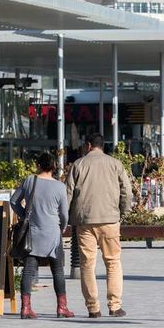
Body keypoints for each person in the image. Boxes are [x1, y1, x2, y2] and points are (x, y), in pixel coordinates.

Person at [66, 133, 133, 317]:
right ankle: (115, 305)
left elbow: (68, 194)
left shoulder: (78, 165)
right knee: (113, 262)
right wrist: (123, 212)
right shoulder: (115, 164)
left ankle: (93, 308)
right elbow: (126, 191)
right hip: (110, 219)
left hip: (85, 221)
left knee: (87, 264)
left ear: (88, 145)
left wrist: (65, 218)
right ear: (102, 146)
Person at [10, 153, 73, 320]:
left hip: (33, 233)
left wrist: (24, 216)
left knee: (29, 270)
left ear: (38, 164)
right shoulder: (59, 187)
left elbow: (13, 201)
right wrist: (62, 227)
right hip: (53, 234)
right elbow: (64, 214)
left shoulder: (30, 181)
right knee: (57, 271)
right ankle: (62, 307)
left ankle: (26, 308)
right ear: (53, 167)